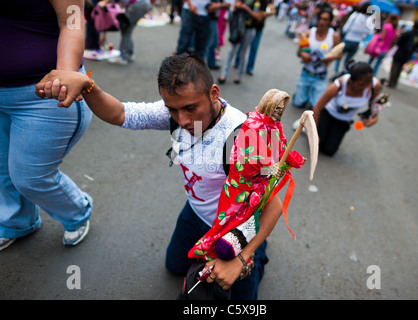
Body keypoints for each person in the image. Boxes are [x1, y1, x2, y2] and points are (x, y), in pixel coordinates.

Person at [36, 53, 283, 299]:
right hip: (195, 212)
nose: (183, 120)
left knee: (241, 297)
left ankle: (258, 256)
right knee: (174, 266)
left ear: (214, 93)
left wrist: (241, 258)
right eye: (172, 109)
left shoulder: (245, 137)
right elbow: (121, 114)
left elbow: (273, 206)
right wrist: (88, 86)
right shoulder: (175, 112)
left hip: (235, 226)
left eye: (190, 108)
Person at [0, 0, 93, 251]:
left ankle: (77, 211)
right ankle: (17, 222)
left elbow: (72, 22)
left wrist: (64, 76)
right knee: (2, 171)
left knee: (30, 176)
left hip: (41, 95)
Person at [312, 60, 382, 156]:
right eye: (361, 84)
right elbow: (317, 108)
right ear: (350, 81)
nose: (365, 87)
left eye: (368, 83)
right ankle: (308, 126)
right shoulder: (338, 85)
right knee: (316, 145)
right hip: (327, 113)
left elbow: (374, 102)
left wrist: (375, 117)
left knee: (329, 150)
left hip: (343, 120)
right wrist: (314, 133)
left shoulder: (375, 86)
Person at [292, 8, 341, 110]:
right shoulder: (309, 33)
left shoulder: (334, 36)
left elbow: (340, 54)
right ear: (317, 19)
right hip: (306, 72)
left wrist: (330, 57)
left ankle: (309, 98)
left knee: (316, 107)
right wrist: (303, 54)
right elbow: (299, 52)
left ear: (330, 21)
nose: (322, 22)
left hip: (320, 76)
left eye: (326, 19)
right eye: (321, 19)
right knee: (298, 103)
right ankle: (300, 96)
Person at [218, 0, 267, 85]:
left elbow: (259, 17)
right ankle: (223, 75)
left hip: (250, 29)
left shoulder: (261, 2)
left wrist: (247, 9)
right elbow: (235, 6)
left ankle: (238, 76)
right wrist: (238, 6)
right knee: (231, 51)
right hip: (238, 27)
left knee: (242, 52)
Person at [100, 0, 151, 65]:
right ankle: (129, 54)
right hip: (142, 3)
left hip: (137, 4)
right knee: (128, 30)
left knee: (126, 30)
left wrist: (104, 2)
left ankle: (123, 57)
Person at [334, 2, 372, 74]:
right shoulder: (369, 20)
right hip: (357, 42)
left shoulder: (355, 15)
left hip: (348, 39)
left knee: (339, 55)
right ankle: (344, 72)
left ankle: (336, 72)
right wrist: (362, 37)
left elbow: (346, 27)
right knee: (348, 60)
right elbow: (369, 33)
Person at [388, 20, 418, 88]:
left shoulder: (407, 33)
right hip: (408, 55)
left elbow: (398, 42)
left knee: (395, 67)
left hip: (400, 52)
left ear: (413, 25)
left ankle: (391, 82)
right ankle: (394, 82)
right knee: (400, 68)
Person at [205, 0, 231, 69]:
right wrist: (223, 5)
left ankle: (211, 63)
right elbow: (210, 7)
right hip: (210, 19)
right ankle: (206, 64)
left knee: (214, 43)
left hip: (214, 19)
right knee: (210, 43)